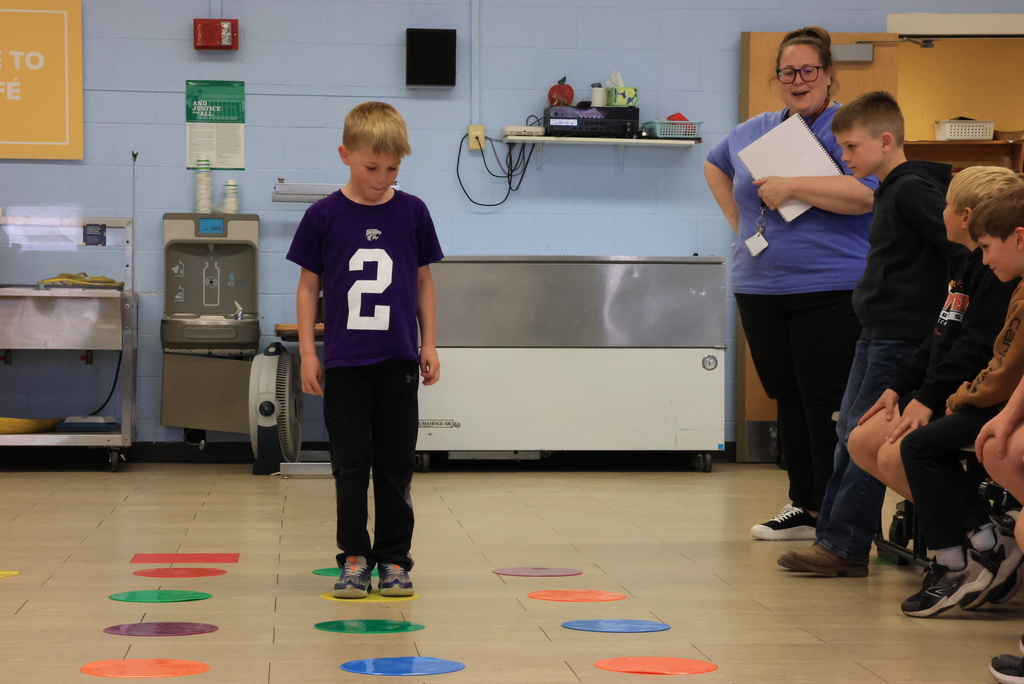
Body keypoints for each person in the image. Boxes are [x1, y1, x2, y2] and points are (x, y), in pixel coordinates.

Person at [777, 91, 967, 576]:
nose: (845, 158)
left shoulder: (909, 188)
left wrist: (953, 309)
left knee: (862, 434)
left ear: (885, 141)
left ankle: (844, 546)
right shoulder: (890, 189)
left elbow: (962, 252)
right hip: (877, 331)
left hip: (900, 334)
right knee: (849, 431)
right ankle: (838, 539)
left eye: (851, 147)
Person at [705, 27, 876, 540]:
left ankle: (835, 512)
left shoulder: (848, 126)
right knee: (787, 396)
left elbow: (867, 194)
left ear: (827, 75)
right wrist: (739, 222)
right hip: (761, 286)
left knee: (825, 399)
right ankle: (804, 504)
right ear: (777, 77)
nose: (798, 80)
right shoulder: (754, 130)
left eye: (808, 71)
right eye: (788, 72)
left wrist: (795, 185)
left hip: (831, 287)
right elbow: (715, 165)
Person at [843, 167, 1024, 617]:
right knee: (864, 439)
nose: (937, 210)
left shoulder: (1000, 276)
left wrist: (932, 398)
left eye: (944, 204)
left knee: (901, 450)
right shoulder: (968, 264)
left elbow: (982, 352)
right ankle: (979, 540)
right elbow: (941, 336)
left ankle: (974, 550)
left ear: (965, 215)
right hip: (960, 392)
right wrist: (903, 386)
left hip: (978, 395)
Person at [286, 101, 444, 599]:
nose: (382, 177)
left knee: (396, 465)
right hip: (347, 362)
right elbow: (308, 288)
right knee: (351, 464)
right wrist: (310, 352)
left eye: (393, 168)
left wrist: (430, 343)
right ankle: (355, 558)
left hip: (398, 359)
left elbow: (423, 282)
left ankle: (395, 560)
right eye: (371, 167)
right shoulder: (322, 216)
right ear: (345, 155)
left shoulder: (413, 212)